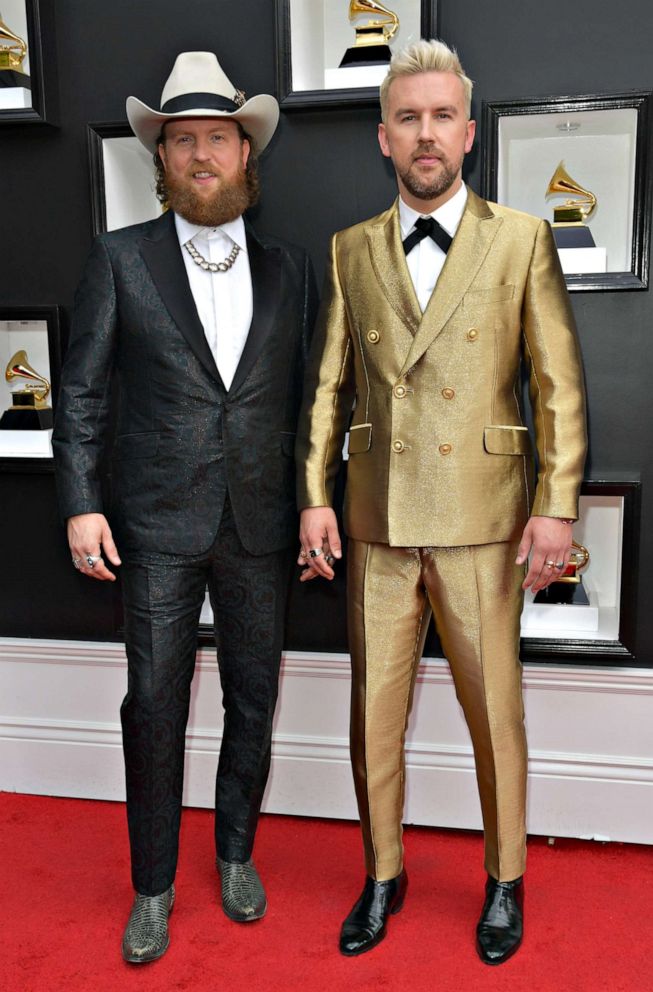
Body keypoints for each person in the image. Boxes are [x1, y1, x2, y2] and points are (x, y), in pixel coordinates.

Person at [296, 38, 586, 965]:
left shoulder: (520, 238)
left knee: (494, 714)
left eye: (441, 117)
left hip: (483, 520)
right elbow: (327, 389)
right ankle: (383, 874)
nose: (426, 135)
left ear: (468, 131)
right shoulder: (349, 249)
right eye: (407, 118)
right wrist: (313, 496)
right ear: (384, 138)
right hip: (377, 522)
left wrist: (558, 504)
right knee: (370, 715)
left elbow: (557, 387)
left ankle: (504, 880)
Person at [53, 51, 315, 964]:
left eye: (216, 138)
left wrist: (314, 505)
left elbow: (310, 403)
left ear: (247, 153)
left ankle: (235, 855)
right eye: (181, 142)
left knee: (253, 699)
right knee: (153, 708)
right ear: (159, 160)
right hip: (153, 529)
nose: (200, 155)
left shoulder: (290, 271)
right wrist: (83, 503)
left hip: (259, 526)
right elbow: (80, 393)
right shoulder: (118, 259)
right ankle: (154, 887)